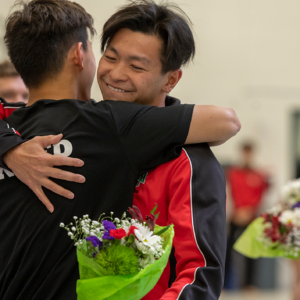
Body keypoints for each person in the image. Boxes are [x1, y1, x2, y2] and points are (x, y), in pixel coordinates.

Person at [0, 0, 240, 299]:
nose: (116, 74)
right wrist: (9, 147)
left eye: (136, 66)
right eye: (110, 57)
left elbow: (199, 275)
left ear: (171, 79)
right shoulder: (73, 127)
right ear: (83, 55)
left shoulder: (188, 161)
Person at [225, 142, 269, 289]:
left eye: (250, 153)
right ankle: (224, 284)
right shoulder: (234, 173)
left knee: (251, 252)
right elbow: (233, 193)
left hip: (252, 218)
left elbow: (260, 196)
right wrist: (239, 211)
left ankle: (249, 284)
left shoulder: (259, 175)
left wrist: (250, 211)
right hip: (236, 216)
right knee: (228, 251)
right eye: (245, 152)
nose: (247, 156)